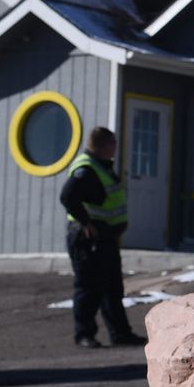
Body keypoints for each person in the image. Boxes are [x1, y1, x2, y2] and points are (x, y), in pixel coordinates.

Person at [61, 127, 146, 349]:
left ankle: (120, 333)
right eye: (113, 143)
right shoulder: (86, 169)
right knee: (88, 288)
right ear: (104, 145)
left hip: (105, 238)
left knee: (112, 288)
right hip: (88, 239)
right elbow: (68, 197)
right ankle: (84, 334)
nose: (115, 148)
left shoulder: (101, 167)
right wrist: (85, 223)